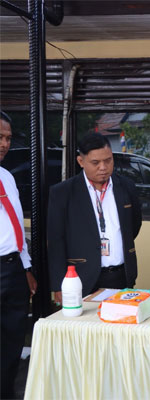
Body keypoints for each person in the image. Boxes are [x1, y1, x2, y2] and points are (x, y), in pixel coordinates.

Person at [47, 133, 142, 299]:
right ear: (81, 161)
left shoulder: (126, 186)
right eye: (95, 163)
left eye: (108, 160)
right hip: (81, 277)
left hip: (121, 275)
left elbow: (134, 225)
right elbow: (56, 241)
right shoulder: (63, 192)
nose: (103, 167)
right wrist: (58, 284)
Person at [0, 111, 37, 399]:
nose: (4, 144)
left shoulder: (7, 177)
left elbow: (15, 228)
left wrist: (26, 268)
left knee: (12, 341)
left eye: (8, 138)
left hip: (12, 271)